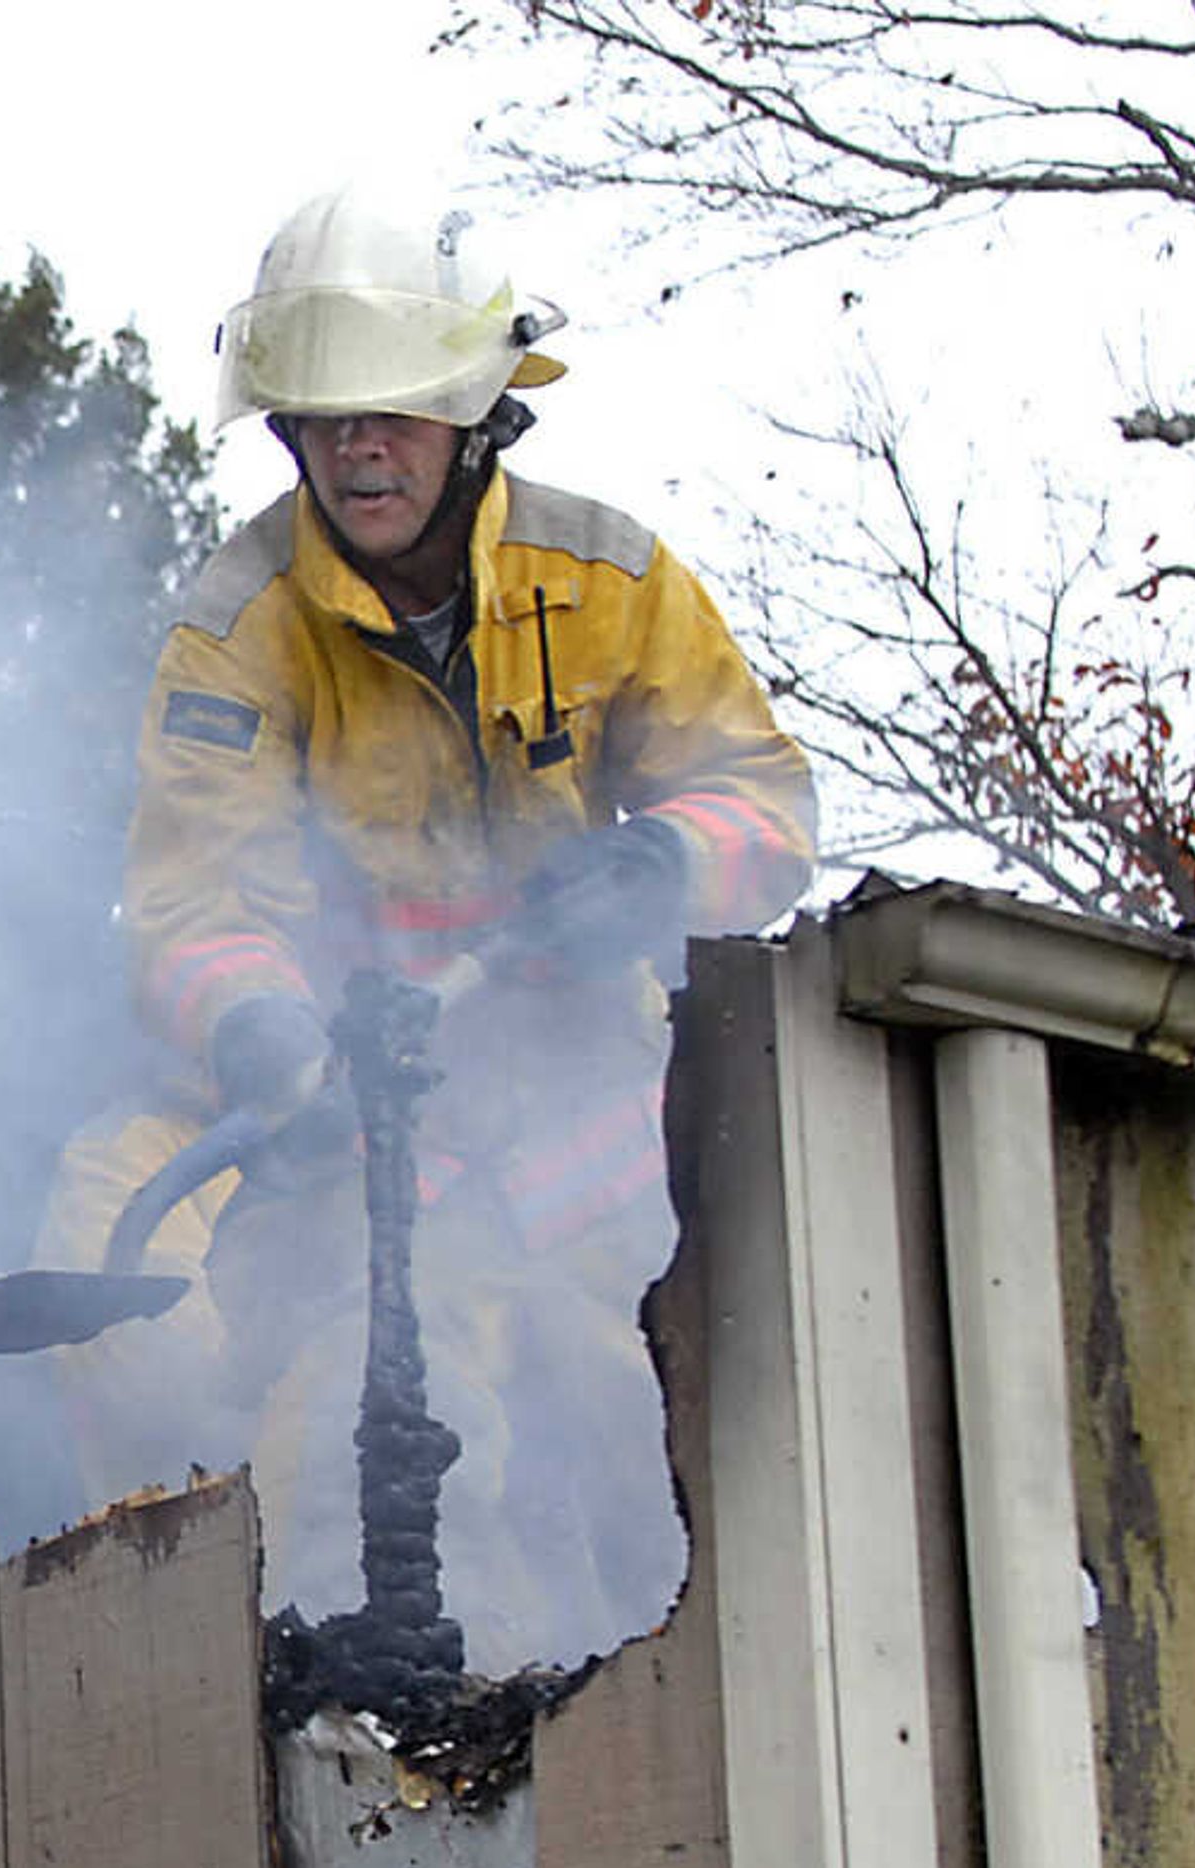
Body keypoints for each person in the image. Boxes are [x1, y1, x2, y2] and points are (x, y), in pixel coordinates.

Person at [80, 186, 816, 1666]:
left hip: (589, 1143)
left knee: (617, 1441)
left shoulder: (608, 584)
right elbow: (191, 897)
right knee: (321, 1403)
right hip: (343, 1140)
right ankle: (229, 1691)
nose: (361, 446)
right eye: (328, 414)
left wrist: (663, 865)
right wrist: (261, 1030)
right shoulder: (239, 629)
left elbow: (765, 804)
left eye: (399, 411)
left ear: (476, 412)